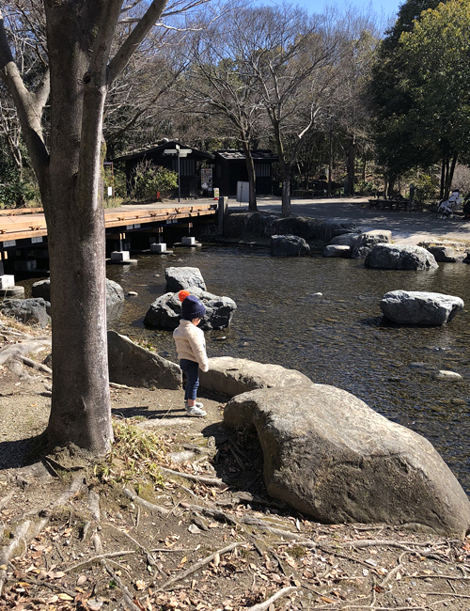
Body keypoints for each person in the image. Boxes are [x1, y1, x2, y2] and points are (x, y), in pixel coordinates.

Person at [173, 290, 209, 417]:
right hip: (191, 360)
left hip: (183, 359)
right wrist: (204, 364)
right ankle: (191, 407)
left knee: (189, 381)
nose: (200, 320)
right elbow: (198, 349)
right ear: (194, 318)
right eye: (199, 318)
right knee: (194, 382)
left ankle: (188, 401)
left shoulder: (179, 329)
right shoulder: (193, 332)